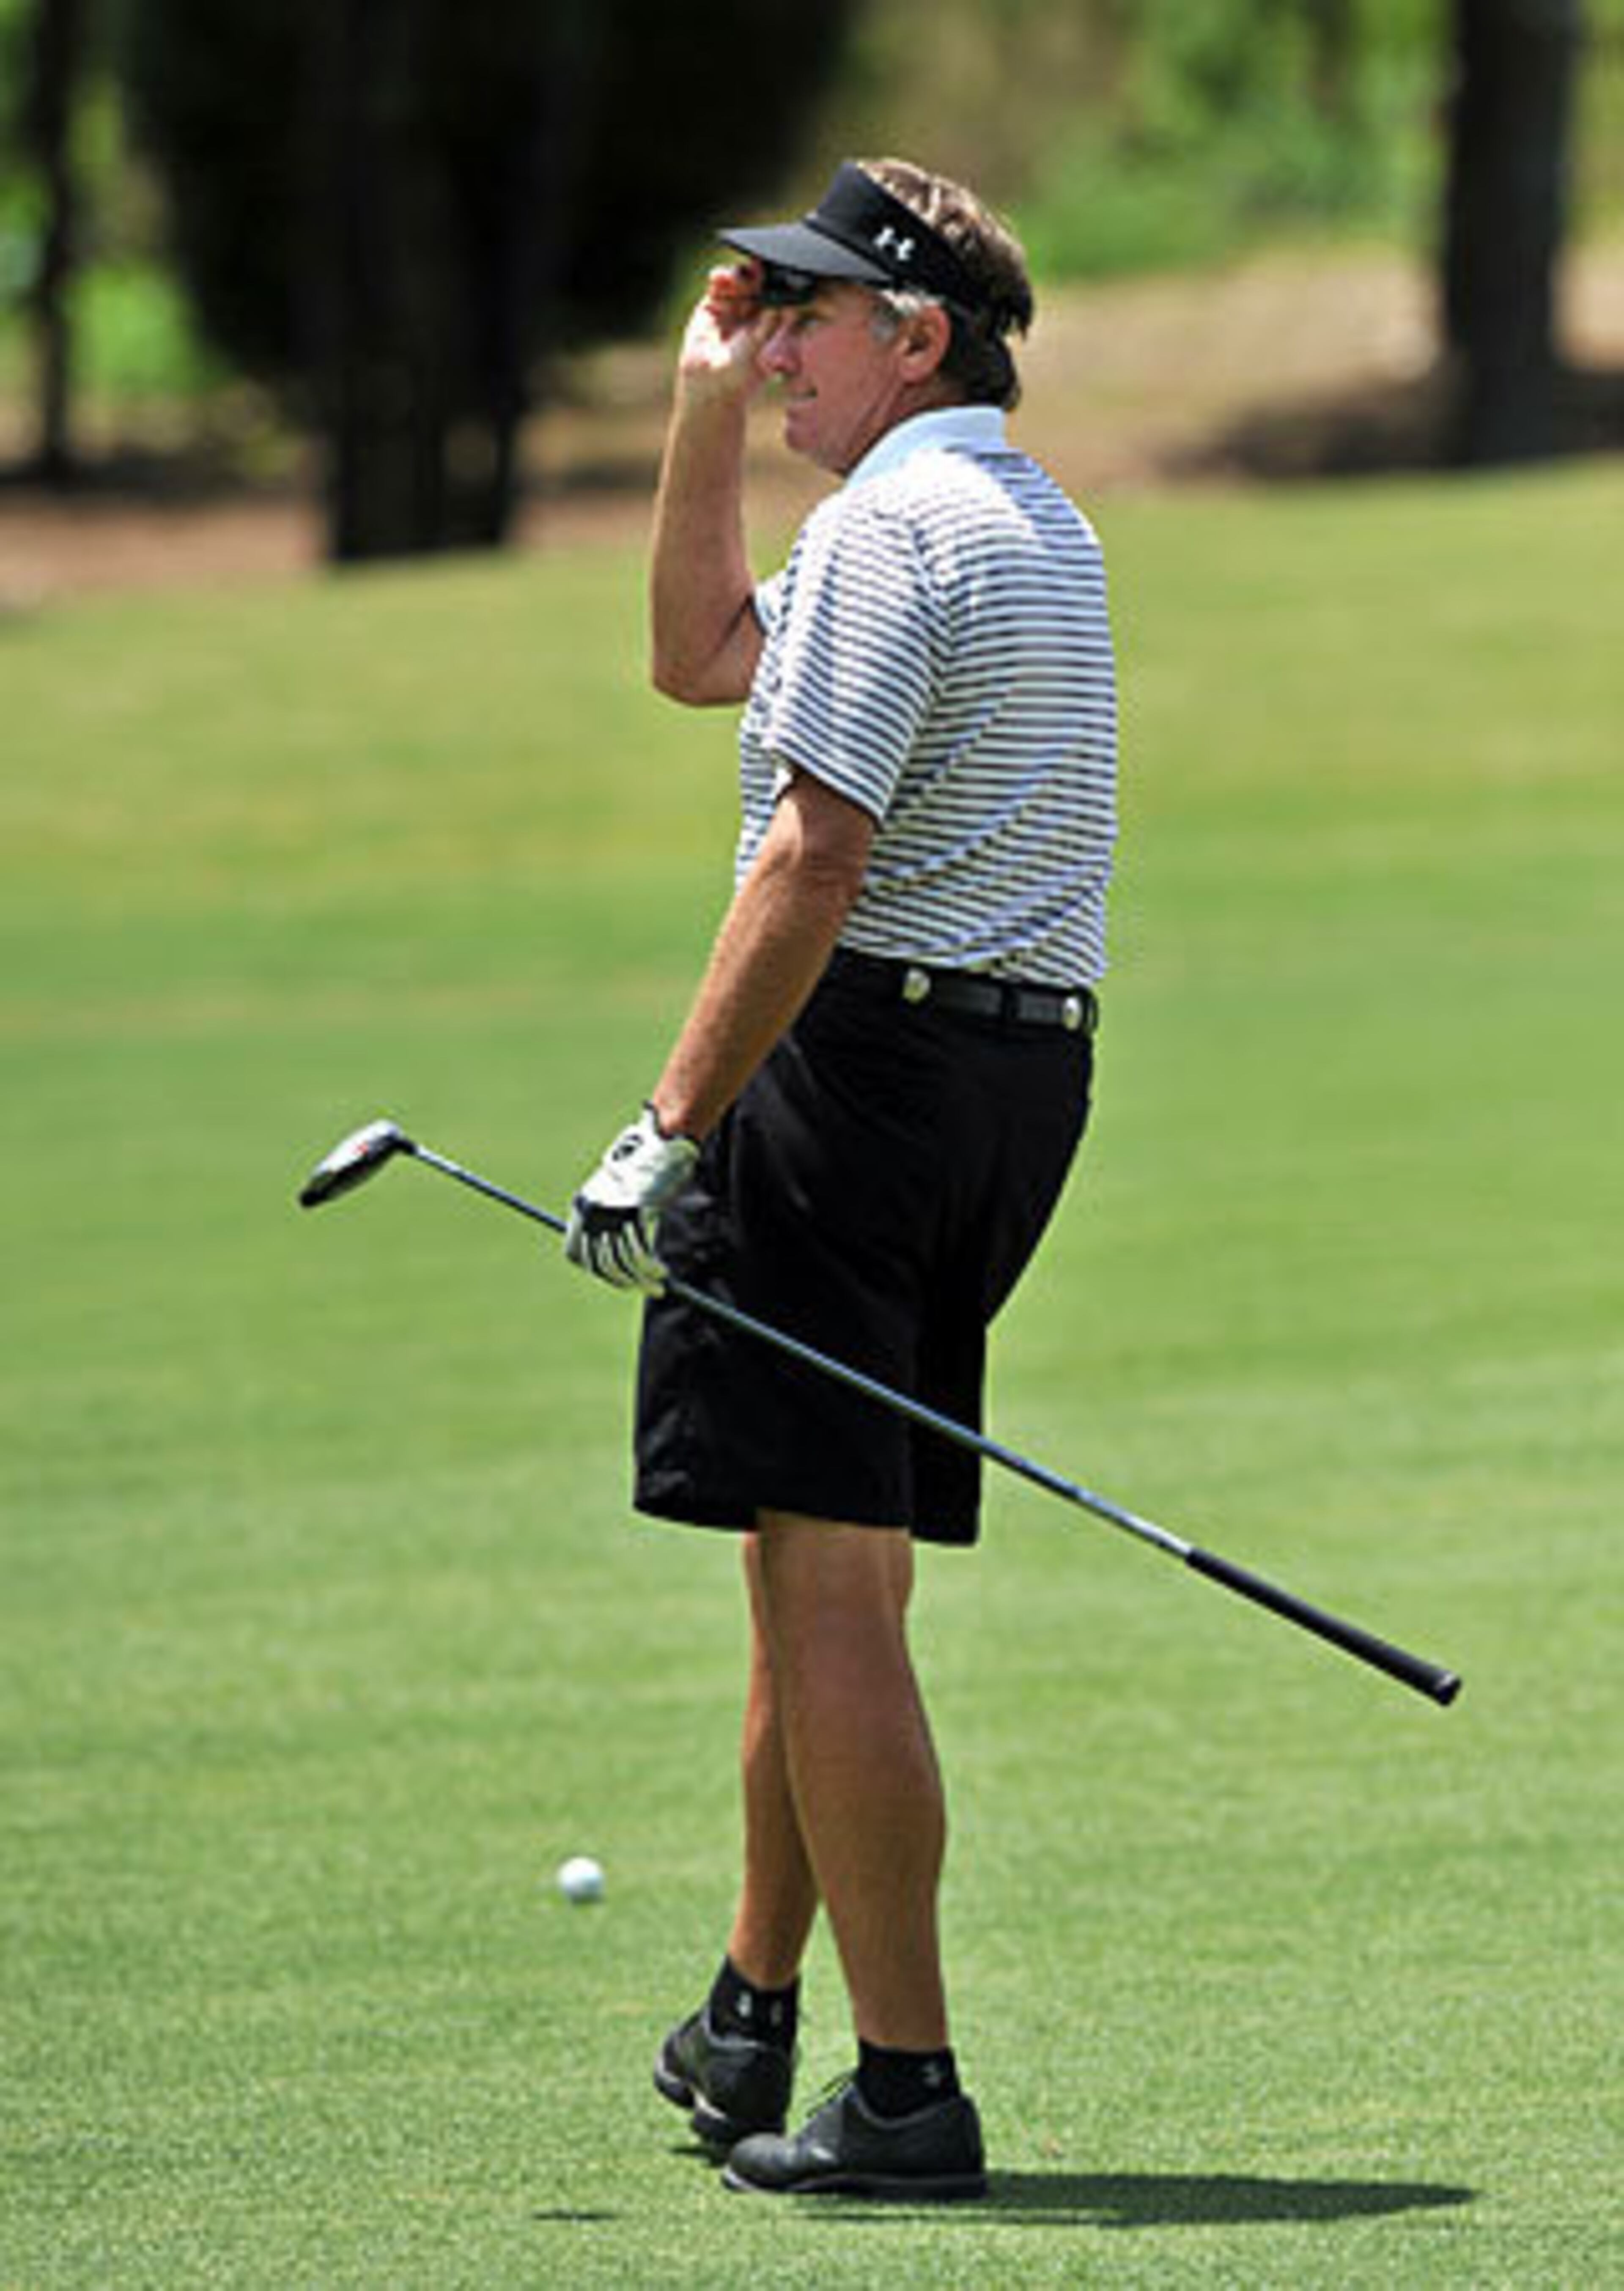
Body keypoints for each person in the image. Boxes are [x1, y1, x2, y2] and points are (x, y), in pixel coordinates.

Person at [564, 156, 1118, 2200]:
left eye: (807, 316)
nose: (775, 336)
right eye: (764, 309)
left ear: (920, 338)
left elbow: (811, 848)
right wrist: (705, 406)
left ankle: (904, 2084)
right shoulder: (1016, 515)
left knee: (828, 1588)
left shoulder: (896, 530)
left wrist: (671, 1119)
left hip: (860, 1075)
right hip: (1006, 1085)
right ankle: (750, 2003)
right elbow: (700, 649)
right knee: (817, 1567)